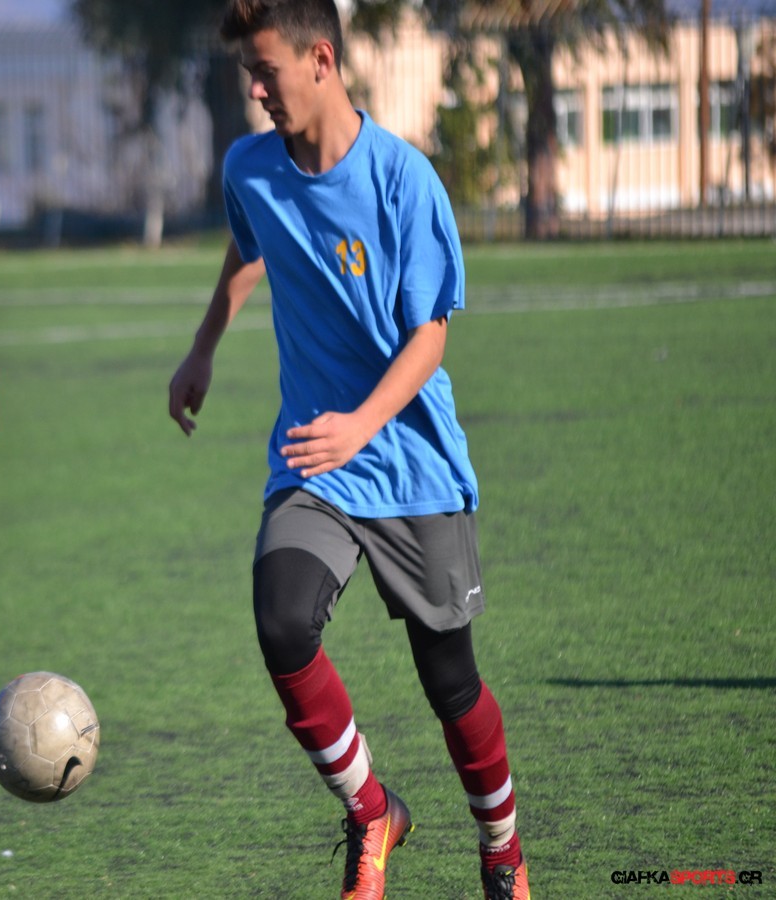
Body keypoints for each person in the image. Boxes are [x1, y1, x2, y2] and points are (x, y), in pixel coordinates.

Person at [167, 2, 530, 898]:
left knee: (451, 684)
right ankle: (372, 811)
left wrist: (362, 424)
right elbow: (248, 246)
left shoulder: (404, 180)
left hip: (411, 461)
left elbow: (429, 338)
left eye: (267, 71)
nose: (256, 91)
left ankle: (502, 851)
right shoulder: (249, 167)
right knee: (281, 622)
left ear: (321, 59)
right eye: (249, 74)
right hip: (315, 460)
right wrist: (203, 347)